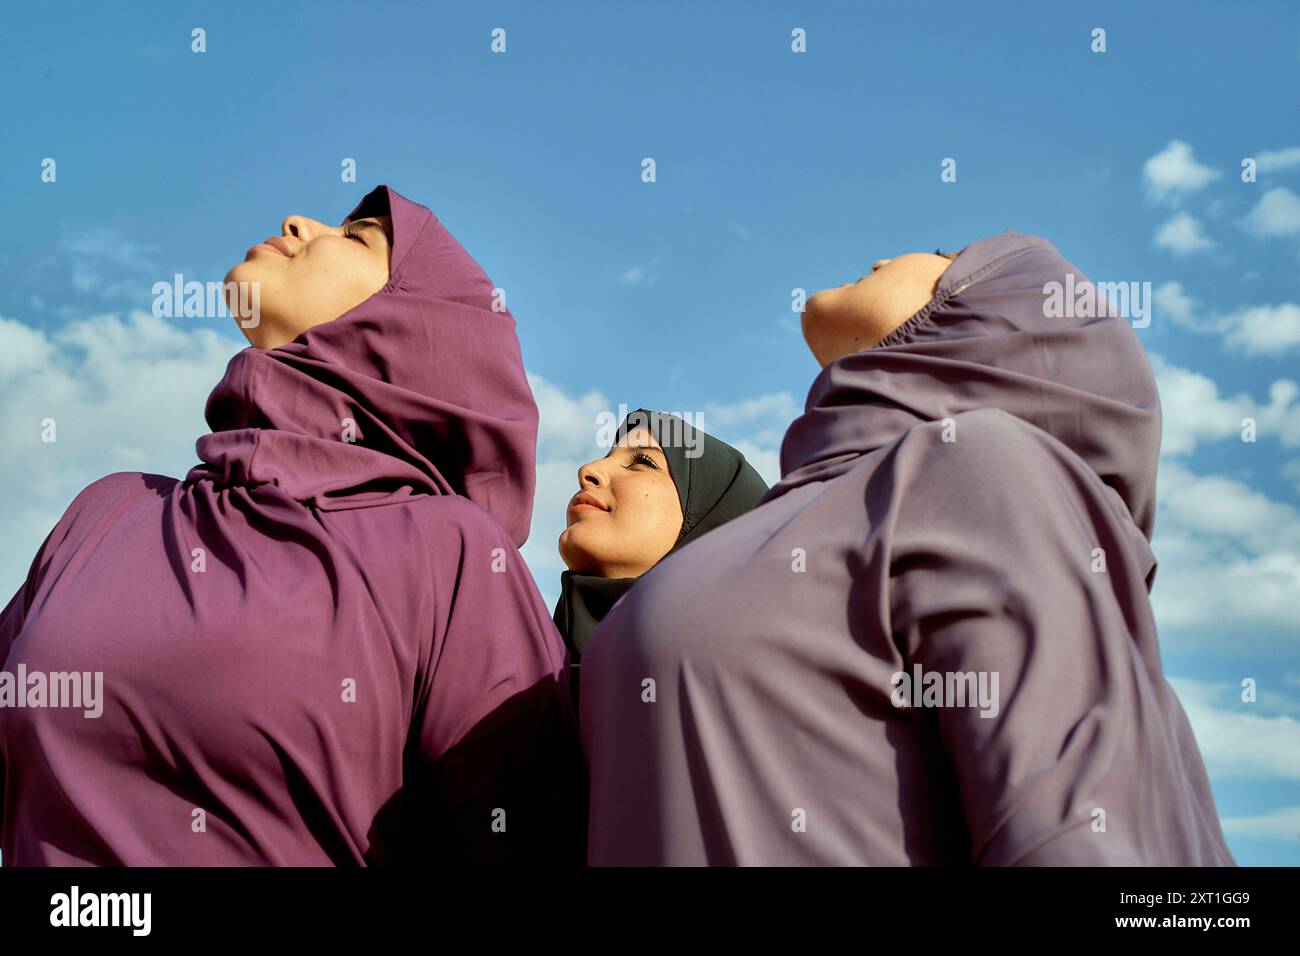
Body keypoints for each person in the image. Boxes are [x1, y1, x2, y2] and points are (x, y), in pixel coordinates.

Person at [579, 230, 1237, 866]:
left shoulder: (978, 464)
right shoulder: (804, 514)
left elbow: (1078, 833)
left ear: (1002, 314)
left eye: (950, 251)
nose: (885, 253)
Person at [0, 185, 587, 865]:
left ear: (415, 327)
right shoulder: (107, 511)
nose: (296, 222)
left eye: (358, 234)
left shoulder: (450, 553)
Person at [553, 409, 767, 706]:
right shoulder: (518, 669)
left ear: (712, 524)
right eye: (607, 456)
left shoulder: (750, 705)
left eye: (643, 461)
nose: (589, 469)